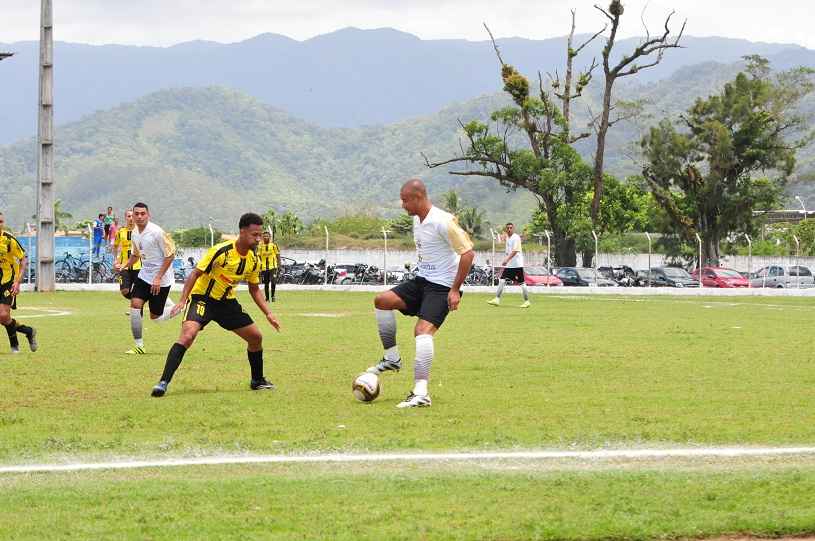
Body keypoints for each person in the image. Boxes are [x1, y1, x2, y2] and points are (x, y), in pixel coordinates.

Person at [366, 179, 474, 408]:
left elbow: (468, 254)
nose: (403, 205)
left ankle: (421, 392)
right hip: (422, 281)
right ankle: (392, 359)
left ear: (417, 197)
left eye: (405, 200)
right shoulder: (417, 221)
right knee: (382, 301)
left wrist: (455, 290)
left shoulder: (443, 221)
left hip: (442, 286)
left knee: (422, 332)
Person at [150, 212, 281, 397]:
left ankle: (257, 380)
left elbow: (254, 289)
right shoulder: (221, 251)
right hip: (203, 299)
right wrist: (182, 300)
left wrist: (268, 313)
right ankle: (163, 382)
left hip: (227, 304)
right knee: (188, 335)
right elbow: (195, 274)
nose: (259, 239)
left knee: (256, 338)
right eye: (255, 235)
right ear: (242, 232)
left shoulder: (253, 260)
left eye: (260, 234)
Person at [120, 202, 177, 354]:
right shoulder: (135, 233)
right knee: (135, 304)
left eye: (142, 213)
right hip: (144, 275)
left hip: (162, 279)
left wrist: (158, 278)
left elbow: (170, 255)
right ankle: (139, 346)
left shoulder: (157, 232)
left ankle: (180, 307)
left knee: (155, 317)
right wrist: (124, 266)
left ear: (148, 215)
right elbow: (135, 255)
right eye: (136, 214)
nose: (139, 216)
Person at [0, 212, 37, 354]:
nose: (0, 224)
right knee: (3, 317)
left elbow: (23, 258)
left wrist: (18, 282)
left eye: (1, 221)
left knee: (3, 315)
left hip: (8, 281)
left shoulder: (9, 240)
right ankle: (28, 331)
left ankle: (15, 344)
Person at [487, 222, 530, 308]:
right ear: (506, 229)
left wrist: (507, 259)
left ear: (513, 229)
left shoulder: (516, 238)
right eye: (508, 228)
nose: (509, 229)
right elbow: (507, 249)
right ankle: (497, 299)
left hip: (517, 265)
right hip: (510, 265)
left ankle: (527, 301)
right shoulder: (508, 238)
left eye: (511, 228)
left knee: (522, 283)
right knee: (502, 280)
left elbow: (515, 251)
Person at [112, 209, 141, 300]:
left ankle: (137, 307)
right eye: (129, 216)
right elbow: (115, 246)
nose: (131, 218)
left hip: (138, 266)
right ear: (125, 218)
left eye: (133, 216)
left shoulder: (140, 231)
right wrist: (116, 260)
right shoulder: (120, 232)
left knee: (138, 291)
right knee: (124, 291)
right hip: (124, 266)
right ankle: (137, 303)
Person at [257, 230, 281, 302]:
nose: (265, 237)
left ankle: (273, 296)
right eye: (264, 236)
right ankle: (267, 298)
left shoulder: (274, 245)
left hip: (273, 267)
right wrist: (259, 267)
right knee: (266, 283)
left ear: (269, 237)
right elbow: (258, 257)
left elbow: (278, 256)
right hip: (264, 268)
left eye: (267, 236)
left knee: (273, 281)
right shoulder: (260, 246)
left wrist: (279, 265)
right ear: (262, 237)